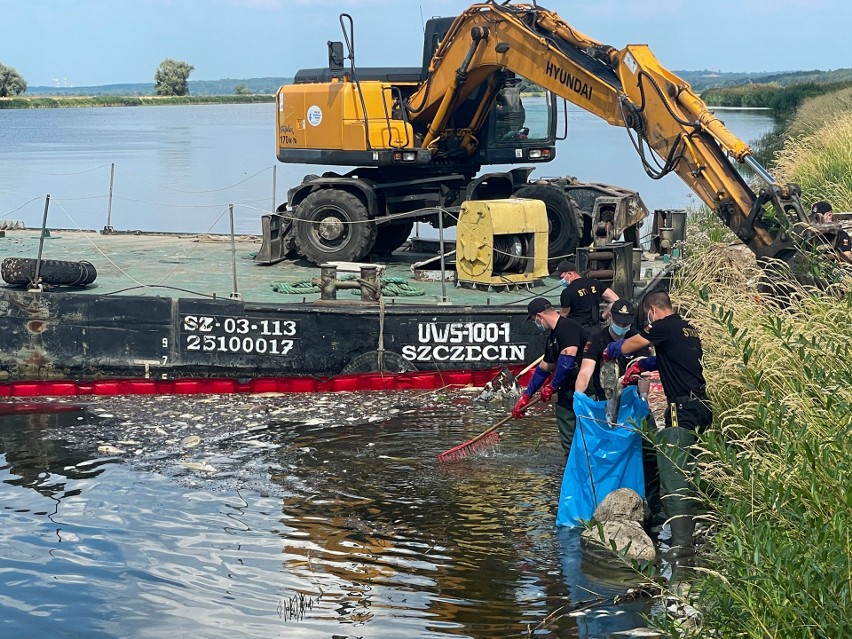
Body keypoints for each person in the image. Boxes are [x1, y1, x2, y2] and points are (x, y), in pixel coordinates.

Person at [604, 290, 711, 560]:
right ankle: (698, 529)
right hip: (702, 407)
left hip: (682, 410)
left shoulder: (662, 326)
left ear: (652, 310)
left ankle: (681, 548)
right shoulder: (688, 329)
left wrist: (611, 349)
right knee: (692, 471)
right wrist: (645, 365)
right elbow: (671, 360)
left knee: (674, 478)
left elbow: (629, 345)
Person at [575, 299, 661, 527]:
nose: (622, 327)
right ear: (610, 317)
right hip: (605, 405)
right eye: (618, 321)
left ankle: (650, 507)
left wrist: (643, 401)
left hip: (632, 407)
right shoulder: (597, 340)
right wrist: (579, 397)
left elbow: (644, 375)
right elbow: (586, 371)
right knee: (601, 456)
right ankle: (600, 501)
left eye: (626, 323)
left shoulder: (637, 339)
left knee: (649, 454)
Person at [512, 297, 588, 455]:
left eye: (535, 321)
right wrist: (527, 395)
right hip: (565, 395)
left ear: (540, 316)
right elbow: (544, 367)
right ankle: (570, 472)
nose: (537, 325)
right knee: (569, 442)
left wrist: (552, 386)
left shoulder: (568, 327)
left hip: (584, 393)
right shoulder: (552, 338)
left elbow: (567, 361)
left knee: (586, 438)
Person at [554, 260, 619, 329]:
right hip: (596, 328)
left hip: (578, 330)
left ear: (570, 274)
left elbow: (563, 315)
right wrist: (603, 316)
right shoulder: (596, 283)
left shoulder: (568, 292)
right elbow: (616, 300)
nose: (560, 280)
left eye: (561, 277)